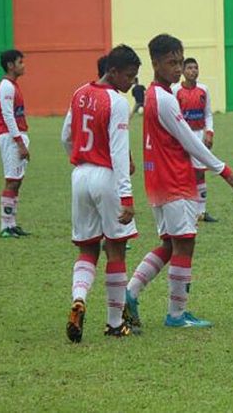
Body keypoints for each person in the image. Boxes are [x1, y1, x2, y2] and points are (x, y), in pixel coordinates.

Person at [123, 34, 233, 331]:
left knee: (169, 244)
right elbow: (190, 140)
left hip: (160, 180)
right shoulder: (164, 99)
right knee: (185, 244)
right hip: (173, 180)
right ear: (155, 63)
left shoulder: (155, 94)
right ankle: (176, 314)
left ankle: (130, 292)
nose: (177, 69)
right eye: (171, 63)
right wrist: (226, 172)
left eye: (180, 62)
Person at [61, 44, 141, 342]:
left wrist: (81, 157)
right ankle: (114, 322)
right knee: (116, 248)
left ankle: (79, 298)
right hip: (106, 177)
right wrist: (127, 198)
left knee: (87, 248)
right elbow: (119, 154)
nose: (131, 83)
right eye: (129, 77)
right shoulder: (116, 102)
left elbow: (66, 136)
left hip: (80, 175)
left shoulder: (80, 92)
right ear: (113, 71)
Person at [172, 57, 218, 223]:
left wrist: (209, 132)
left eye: (195, 68)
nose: (193, 71)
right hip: (182, 137)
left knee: (200, 173)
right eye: (189, 68)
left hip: (199, 136)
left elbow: (208, 114)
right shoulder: (175, 90)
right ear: (183, 71)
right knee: (183, 173)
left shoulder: (203, 89)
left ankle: (202, 211)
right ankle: (184, 209)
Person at [0, 49, 30, 239]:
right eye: (20, 62)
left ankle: (12, 223)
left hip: (16, 136)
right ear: (10, 65)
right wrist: (20, 143)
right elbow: (7, 116)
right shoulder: (6, 86)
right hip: (10, 137)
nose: (23, 65)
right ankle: (5, 226)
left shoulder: (13, 85)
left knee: (17, 180)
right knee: (11, 180)